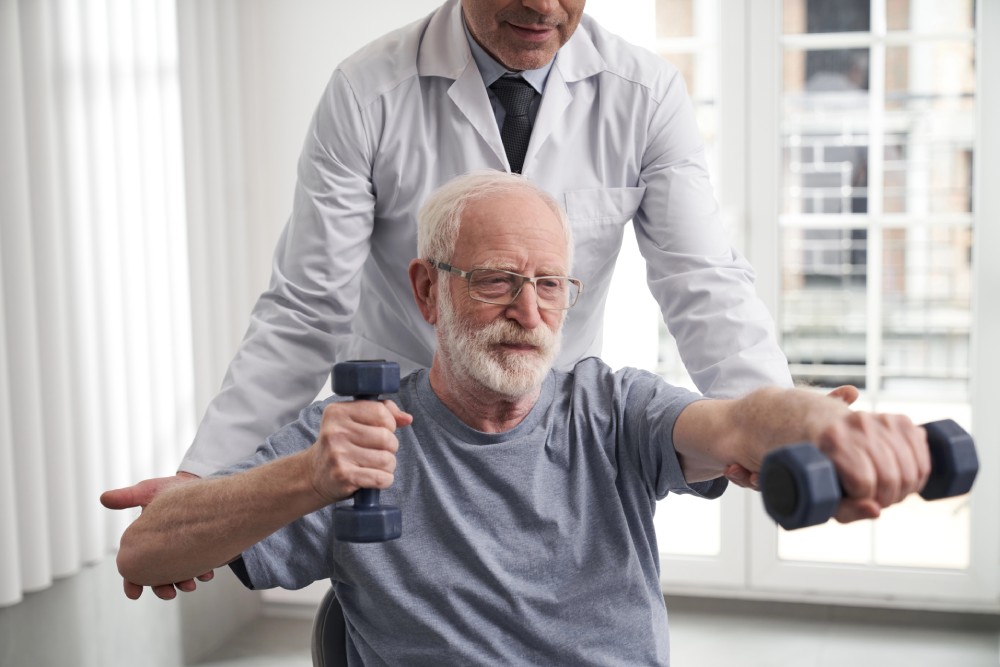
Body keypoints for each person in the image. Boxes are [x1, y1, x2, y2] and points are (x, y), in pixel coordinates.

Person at [103, 0, 795, 598]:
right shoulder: (367, 91)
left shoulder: (644, 93)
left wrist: (781, 428)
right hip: (402, 443)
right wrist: (202, 490)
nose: (544, 7)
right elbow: (306, 306)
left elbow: (704, 280)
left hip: (555, 442)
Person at [116, 172, 930, 665]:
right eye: (498, 279)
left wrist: (823, 422)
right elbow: (147, 547)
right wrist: (307, 477)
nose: (529, 310)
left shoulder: (611, 408)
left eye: (550, 285)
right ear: (429, 290)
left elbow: (741, 421)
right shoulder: (355, 434)